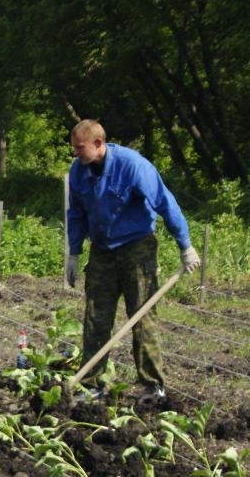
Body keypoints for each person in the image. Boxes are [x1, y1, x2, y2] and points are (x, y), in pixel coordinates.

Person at [67, 119, 200, 403]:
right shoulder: (78, 172)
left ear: (98, 143)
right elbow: (76, 214)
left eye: (80, 148)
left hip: (136, 247)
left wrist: (185, 245)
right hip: (102, 249)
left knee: (142, 315)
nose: (76, 154)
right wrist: (74, 252)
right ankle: (91, 384)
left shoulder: (133, 166)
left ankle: (153, 385)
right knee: (95, 317)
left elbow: (165, 202)